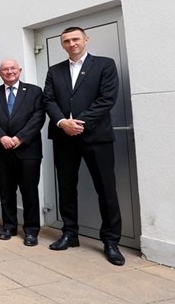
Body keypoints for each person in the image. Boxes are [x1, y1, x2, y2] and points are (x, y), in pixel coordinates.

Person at [43, 26, 124, 266]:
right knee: (66, 188)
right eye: (66, 41)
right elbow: (48, 100)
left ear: (86, 39)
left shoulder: (104, 65)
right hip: (64, 138)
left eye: (75, 39)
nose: (72, 44)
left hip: (96, 137)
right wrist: (62, 123)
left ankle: (111, 241)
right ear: (62, 44)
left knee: (106, 190)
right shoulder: (54, 70)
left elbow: (107, 99)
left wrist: (79, 123)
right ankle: (70, 234)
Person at [0, 59, 45, 246]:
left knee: (29, 192)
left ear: (20, 70)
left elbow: (38, 117)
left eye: (13, 68)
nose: (9, 72)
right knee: (6, 191)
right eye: (5, 69)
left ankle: (31, 231)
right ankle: (9, 227)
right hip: (2, 151)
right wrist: (1, 137)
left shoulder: (34, 92)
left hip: (28, 151)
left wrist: (20, 138)